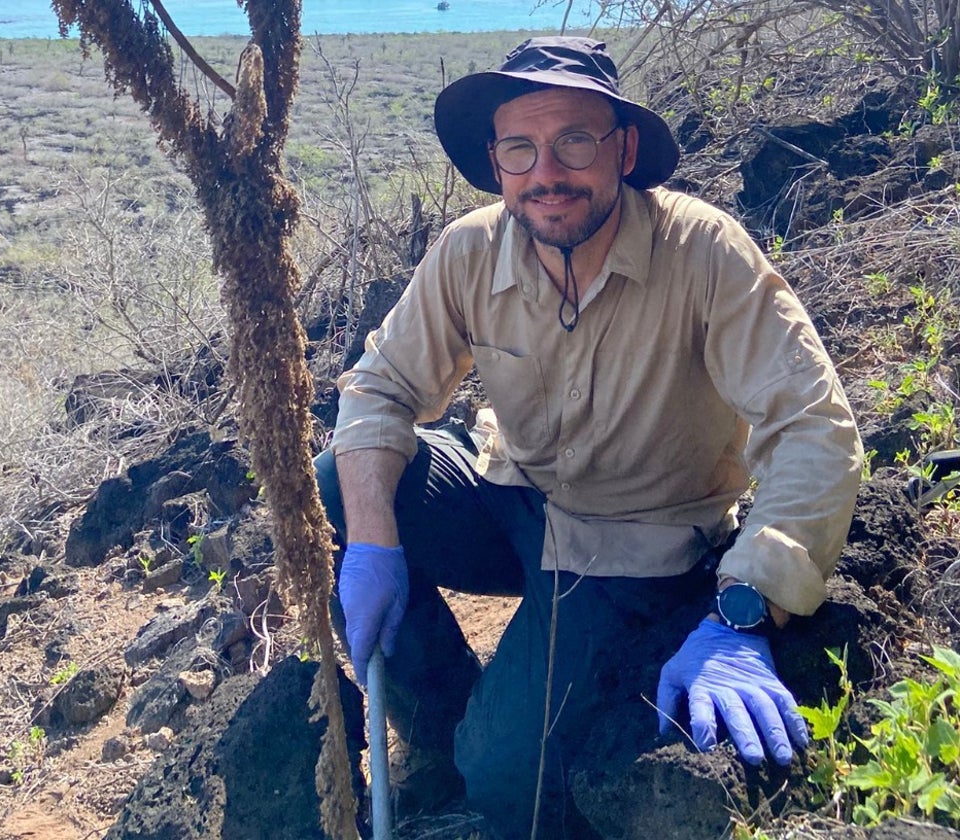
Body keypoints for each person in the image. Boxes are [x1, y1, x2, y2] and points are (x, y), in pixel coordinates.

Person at [315, 35, 863, 838]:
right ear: (496, 162)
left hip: (636, 543)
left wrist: (745, 610)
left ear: (624, 148)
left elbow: (813, 426)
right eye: (519, 148)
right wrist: (373, 545)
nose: (547, 173)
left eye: (574, 139)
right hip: (515, 494)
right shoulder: (472, 248)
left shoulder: (704, 253)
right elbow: (379, 387)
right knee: (344, 477)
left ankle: (487, 745)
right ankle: (444, 725)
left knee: (506, 786)